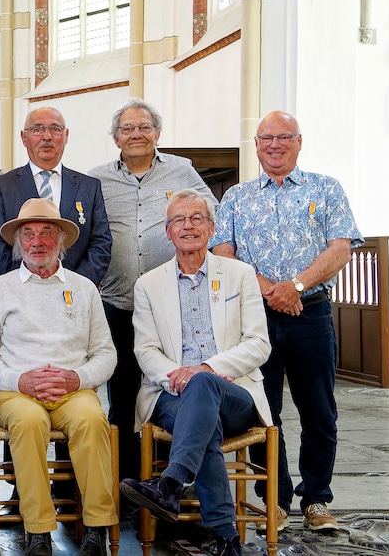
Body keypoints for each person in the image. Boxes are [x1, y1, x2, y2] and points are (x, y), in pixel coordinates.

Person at [212, 110, 362, 532]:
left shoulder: (326, 188)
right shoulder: (237, 197)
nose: (274, 145)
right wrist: (270, 291)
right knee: (263, 411)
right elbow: (224, 252)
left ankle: (316, 499)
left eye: (283, 137)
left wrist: (294, 287)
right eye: (266, 139)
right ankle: (273, 500)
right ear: (256, 146)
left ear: (299, 142)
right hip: (255, 317)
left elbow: (340, 248)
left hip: (310, 312)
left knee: (319, 411)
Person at [119, 190, 272, 556]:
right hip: (172, 394)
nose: (188, 226)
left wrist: (205, 370)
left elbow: (259, 343)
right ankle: (226, 538)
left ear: (211, 227)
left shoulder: (240, 274)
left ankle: (170, 483)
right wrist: (180, 376)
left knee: (204, 384)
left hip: (235, 393)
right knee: (205, 424)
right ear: (168, 233)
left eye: (197, 218)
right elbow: (146, 350)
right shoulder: (149, 284)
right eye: (179, 220)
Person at [0, 198, 118, 556]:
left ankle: (96, 529)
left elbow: (106, 353)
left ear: (62, 240)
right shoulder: (0, 289)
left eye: (46, 233)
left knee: (92, 419)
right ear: (18, 242)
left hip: (73, 389)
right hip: (16, 390)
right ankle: (38, 532)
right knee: (28, 421)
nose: (37, 241)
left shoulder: (84, 289)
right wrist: (19, 381)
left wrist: (76, 378)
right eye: (29, 234)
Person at [87, 99, 215, 482]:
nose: (136, 134)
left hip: (170, 304)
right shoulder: (97, 179)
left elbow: (212, 211)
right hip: (117, 300)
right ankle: (127, 482)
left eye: (144, 127)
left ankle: (168, 477)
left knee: (168, 389)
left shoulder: (182, 170)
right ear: (115, 138)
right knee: (122, 395)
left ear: (157, 133)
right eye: (127, 128)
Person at [0, 106, 111, 285]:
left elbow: (101, 243)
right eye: (37, 129)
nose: (47, 137)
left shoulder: (89, 186)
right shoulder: (3, 185)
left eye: (55, 129)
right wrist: (28, 282)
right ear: (23, 138)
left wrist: (75, 284)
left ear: (66, 136)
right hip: (20, 292)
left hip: (74, 294)